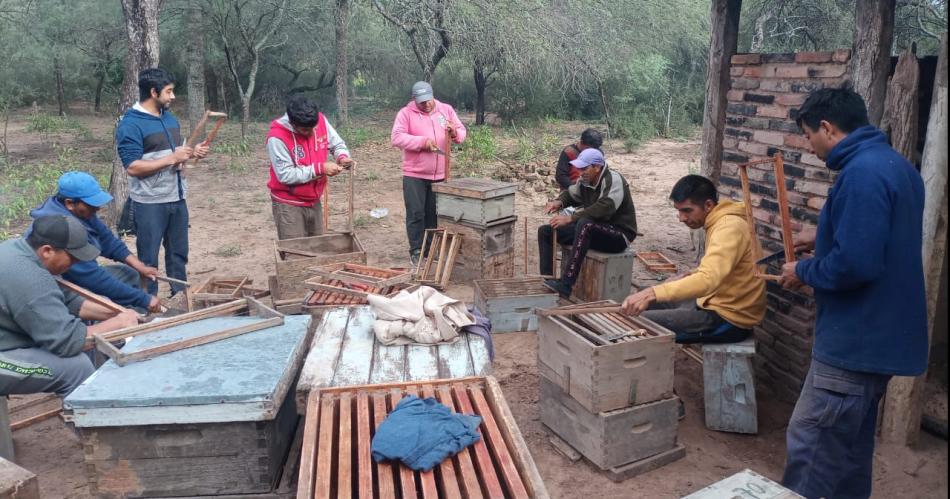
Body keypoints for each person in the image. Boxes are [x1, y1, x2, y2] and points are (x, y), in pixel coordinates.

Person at [778, 88, 927, 499]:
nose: (810, 148)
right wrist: (823, 235)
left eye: (809, 136)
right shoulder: (896, 166)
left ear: (827, 127)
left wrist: (803, 270)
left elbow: (857, 264)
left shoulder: (861, 174)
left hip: (854, 341)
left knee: (813, 445)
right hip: (881, 339)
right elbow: (880, 241)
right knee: (849, 454)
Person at [0, 216, 140, 397]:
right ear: (47, 251)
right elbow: (67, 342)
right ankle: (97, 422)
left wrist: (115, 313)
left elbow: (66, 300)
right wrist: (119, 323)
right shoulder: (28, 277)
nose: (76, 263)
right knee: (76, 368)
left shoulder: (19, 250)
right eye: (72, 258)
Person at [620, 174, 766, 344]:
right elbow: (721, 267)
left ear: (708, 205)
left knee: (633, 322)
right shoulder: (721, 221)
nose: (681, 218)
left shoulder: (728, 228)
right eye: (679, 211)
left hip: (729, 319)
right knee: (642, 297)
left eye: (687, 210)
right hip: (715, 301)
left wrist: (653, 293)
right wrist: (688, 275)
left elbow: (708, 279)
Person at [115, 68, 209, 297]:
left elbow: (177, 152)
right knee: (148, 256)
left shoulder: (168, 117)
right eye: (169, 92)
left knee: (178, 253)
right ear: (153, 92)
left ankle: (180, 296)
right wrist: (171, 158)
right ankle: (150, 302)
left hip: (177, 197)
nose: (173, 97)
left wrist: (192, 153)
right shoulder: (130, 124)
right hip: (149, 203)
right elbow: (133, 167)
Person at [28, 172, 162, 313]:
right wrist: (143, 299)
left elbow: (108, 241)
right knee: (102, 300)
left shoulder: (82, 213)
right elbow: (93, 278)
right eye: (91, 205)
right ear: (69, 203)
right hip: (61, 285)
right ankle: (124, 321)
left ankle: (136, 316)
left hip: (82, 277)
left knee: (129, 274)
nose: (97, 209)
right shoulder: (58, 228)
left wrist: (140, 267)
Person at [539, 148, 637, 298]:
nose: (580, 172)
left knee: (585, 223)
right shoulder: (584, 181)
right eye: (579, 168)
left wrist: (570, 218)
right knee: (546, 231)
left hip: (619, 236)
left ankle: (565, 285)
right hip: (594, 230)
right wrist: (559, 201)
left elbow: (605, 207)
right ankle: (548, 280)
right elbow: (572, 194)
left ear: (597, 167)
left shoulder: (613, 179)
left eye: (584, 168)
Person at [391, 81, 467, 266]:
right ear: (414, 99)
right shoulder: (405, 113)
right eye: (422, 102)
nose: (426, 105)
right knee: (416, 213)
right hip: (414, 174)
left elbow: (462, 133)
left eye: (429, 100)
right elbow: (397, 137)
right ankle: (416, 250)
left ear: (433, 95)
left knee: (434, 214)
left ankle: (432, 248)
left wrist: (454, 132)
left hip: (440, 173)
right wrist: (422, 142)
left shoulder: (446, 110)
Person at [266, 95, 353, 240]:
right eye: (306, 130)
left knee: (317, 248)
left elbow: (337, 144)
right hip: (288, 203)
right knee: (295, 252)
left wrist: (342, 156)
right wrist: (320, 169)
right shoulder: (277, 138)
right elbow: (285, 175)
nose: (313, 132)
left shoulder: (318, 120)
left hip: (314, 200)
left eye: (314, 128)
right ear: (293, 124)